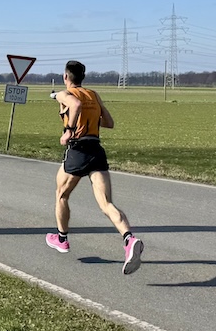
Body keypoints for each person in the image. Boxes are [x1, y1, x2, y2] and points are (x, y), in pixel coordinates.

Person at [46, 60, 144, 275]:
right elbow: (109, 122)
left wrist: (69, 129)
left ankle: (61, 238)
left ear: (66, 76)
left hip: (78, 149)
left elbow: (75, 104)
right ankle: (129, 239)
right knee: (106, 203)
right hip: (96, 150)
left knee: (61, 195)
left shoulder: (65, 94)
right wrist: (89, 119)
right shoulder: (93, 95)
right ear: (82, 77)